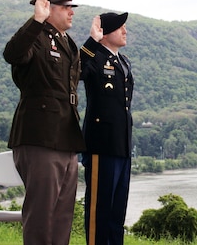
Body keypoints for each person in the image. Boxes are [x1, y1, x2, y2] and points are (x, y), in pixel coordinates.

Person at [3, 0, 86, 245]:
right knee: (40, 216)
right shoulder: (36, 37)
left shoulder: (67, 43)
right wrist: (36, 20)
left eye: (72, 7)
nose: (72, 12)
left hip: (65, 138)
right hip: (40, 137)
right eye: (65, 7)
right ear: (48, 10)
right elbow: (12, 54)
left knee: (62, 216)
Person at [80, 12, 134, 244]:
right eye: (120, 27)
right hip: (101, 145)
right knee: (99, 211)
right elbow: (75, 69)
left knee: (116, 213)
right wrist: (91, 41)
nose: (125, 31)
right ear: (105, 33)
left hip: (121, 145)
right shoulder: (94, 57)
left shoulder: (122, 61)